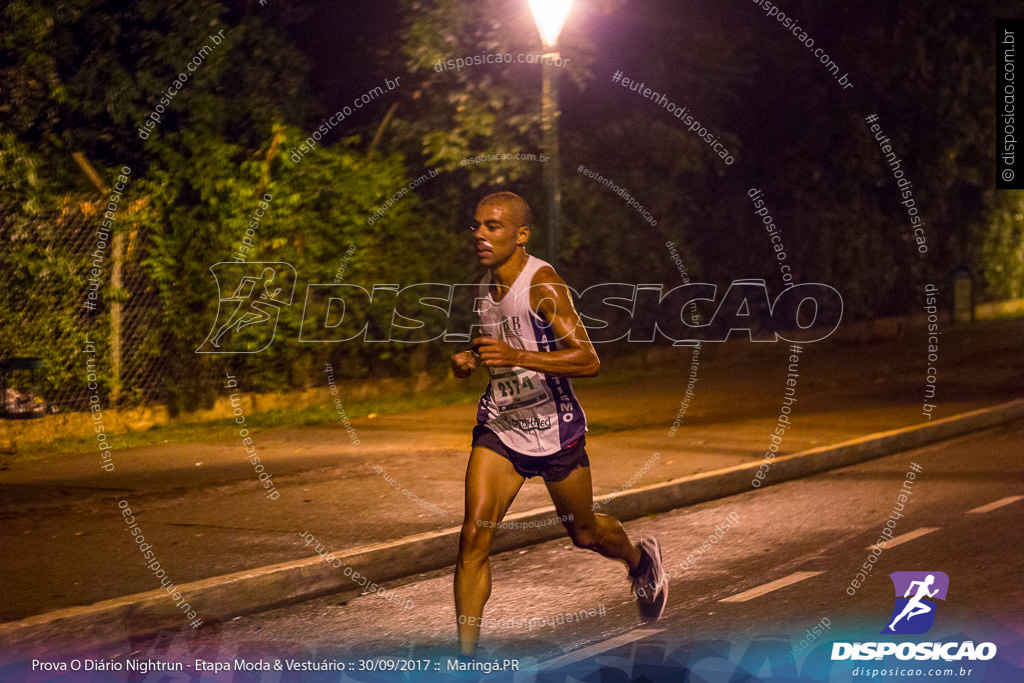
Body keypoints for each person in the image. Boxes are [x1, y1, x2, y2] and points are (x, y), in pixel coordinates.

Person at [450, 191, 667, 656]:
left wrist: (516, 356)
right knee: (473, 536)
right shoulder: (481, 288)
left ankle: (639, 562)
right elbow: (499, 345)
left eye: (493, 226)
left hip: (554, 429)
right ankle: (465, 661)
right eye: (476, 226)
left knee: (584, 533)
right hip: (502, 425)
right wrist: (471, 358)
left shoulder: (542, 284)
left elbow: (589, 360)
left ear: (521, 234)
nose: (481, 236)